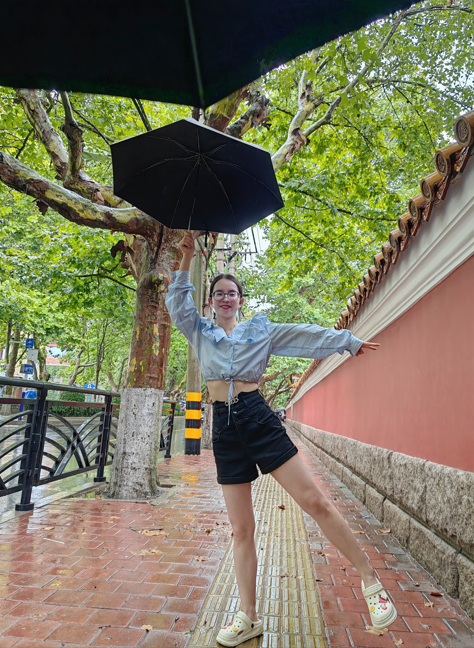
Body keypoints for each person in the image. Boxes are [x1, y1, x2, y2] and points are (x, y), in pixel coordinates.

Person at [166, 231, 397, 647]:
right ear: (210, 302)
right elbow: (177, 302)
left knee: (314, 501)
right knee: (241, 529)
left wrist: (347, 342)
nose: (225, 298)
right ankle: (248, 617)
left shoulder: (260, 331)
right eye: (218, 293)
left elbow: (303, 336)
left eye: (231, 293)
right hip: (224, 427)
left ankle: (370, 581)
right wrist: (185, 257)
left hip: (257, 418)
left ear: (240, 300)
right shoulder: (199, 331)